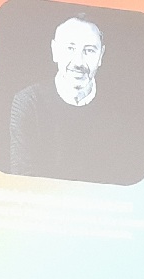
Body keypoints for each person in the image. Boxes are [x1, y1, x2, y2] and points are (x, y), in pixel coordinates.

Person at [8, 14, 118, 182]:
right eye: (70, 48)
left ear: (101, 55)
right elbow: (22, 179)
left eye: (89, 50)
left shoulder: (117, 110)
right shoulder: (28, 102)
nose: (78, 62)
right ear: (55, 51)